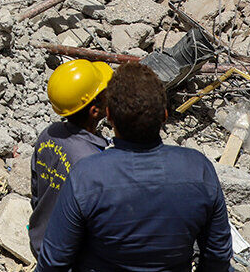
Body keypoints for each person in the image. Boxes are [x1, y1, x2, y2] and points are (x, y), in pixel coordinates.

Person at [36, 62, 232, 272]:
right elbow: (218, 255)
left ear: (109, 115)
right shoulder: (199, 169)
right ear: (165, 116)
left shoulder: (86, 176)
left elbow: (53, 263)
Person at [29, 60, 113, 258]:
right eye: (105, 93)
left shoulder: (48, 135)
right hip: (69, 256)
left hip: (41, 240)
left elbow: (36, 192)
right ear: (94, 111)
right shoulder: (93, 162)